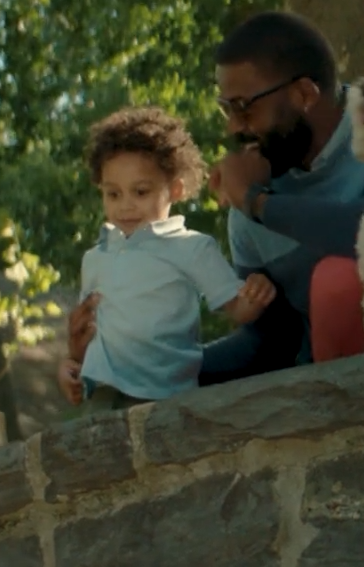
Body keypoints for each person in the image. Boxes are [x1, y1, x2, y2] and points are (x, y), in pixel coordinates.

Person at [63, 12, 364, 387]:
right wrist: (133, 368)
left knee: (339, 279)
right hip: (331, 393)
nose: (232, 126)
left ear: (303, 95)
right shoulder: (249, 206)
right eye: (225, 109)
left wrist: (258, 203)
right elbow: (270, 343)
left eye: (244, 107)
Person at [58, 106, 278, 412]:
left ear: (175, 189)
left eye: (140, 192)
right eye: (113, 194)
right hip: (103, 396)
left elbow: (238, 310)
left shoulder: (191, 248)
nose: (125, 206)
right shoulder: (95, 257)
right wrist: (71, 365)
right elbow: (88, 335)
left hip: (166, 396)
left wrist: (256, 295)